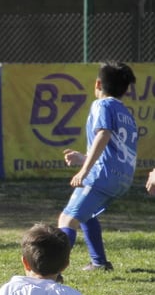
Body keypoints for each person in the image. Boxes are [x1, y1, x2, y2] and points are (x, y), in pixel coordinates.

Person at [58, 61, 137, 271]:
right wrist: (83, 159)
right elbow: (116, 152)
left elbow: (103, 134)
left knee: (67, 219)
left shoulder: (101, 105)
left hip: (102, 175)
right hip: (123, 178)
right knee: (87, 214)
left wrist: (84, 171)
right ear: (125, 89)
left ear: (98, 83)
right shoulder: (127, 115)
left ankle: (51, 273)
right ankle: (99, 262)